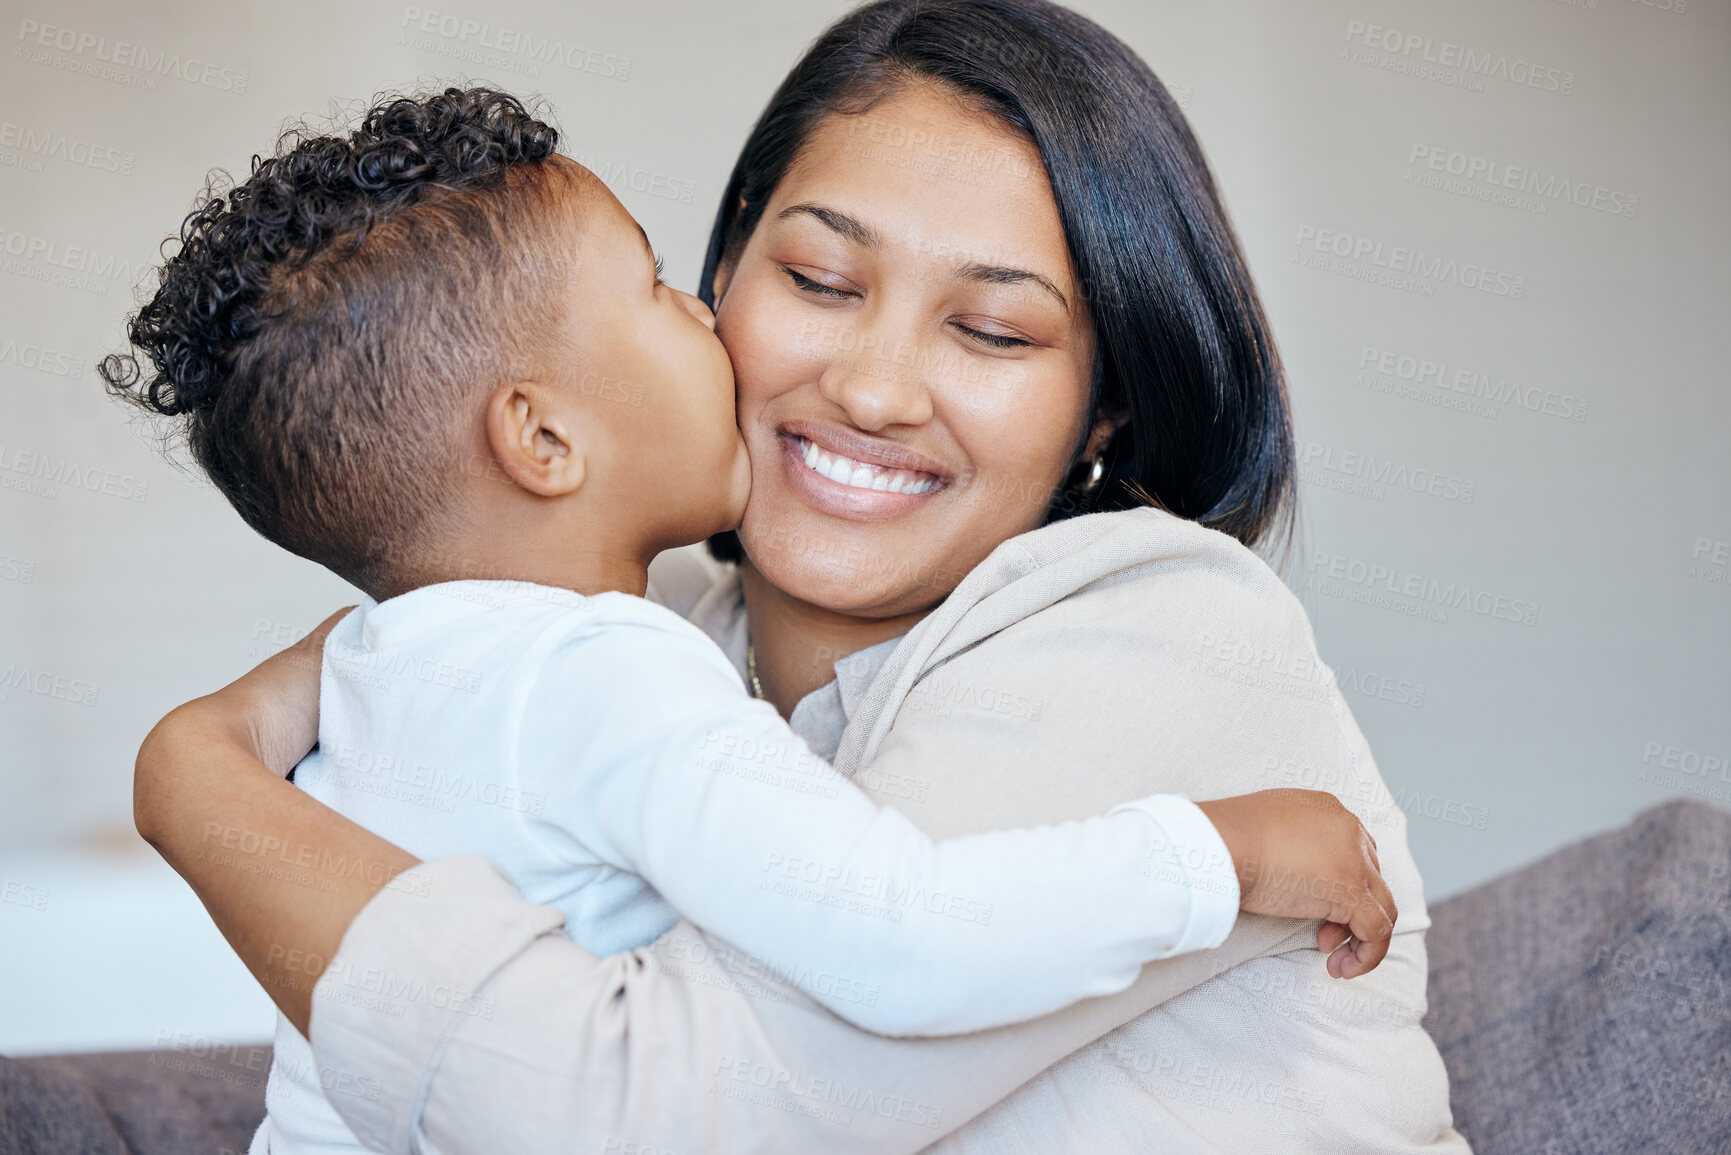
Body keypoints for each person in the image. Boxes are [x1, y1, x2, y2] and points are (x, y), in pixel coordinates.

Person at [131, 0, 1472, 1151]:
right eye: (822, 279)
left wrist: (201, 784)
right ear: (729, 279)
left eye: (995, 329)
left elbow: (642, 1119)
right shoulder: (645, 649)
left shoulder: (1167, 627)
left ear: (1103, 413)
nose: (874, 388)